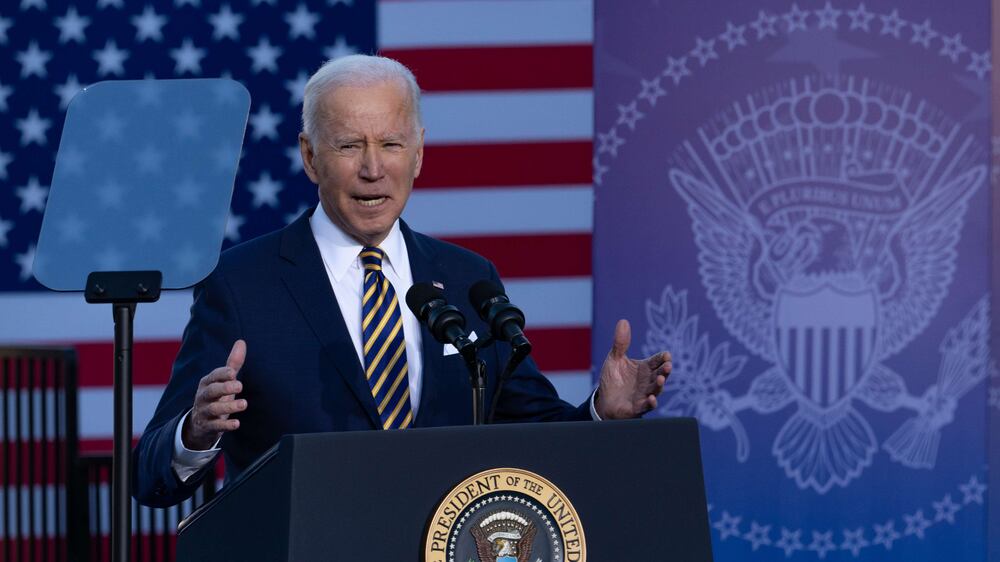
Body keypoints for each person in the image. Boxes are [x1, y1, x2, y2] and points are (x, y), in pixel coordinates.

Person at [133, 55, 672, 508]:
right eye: (349, 145)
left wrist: (603, 411)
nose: (373, 168)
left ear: (418, 154)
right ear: (310, 157)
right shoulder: (241, 283)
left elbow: (538, 437)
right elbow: (149, 476)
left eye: (390, 144)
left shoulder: (467, 279)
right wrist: (196, 433)